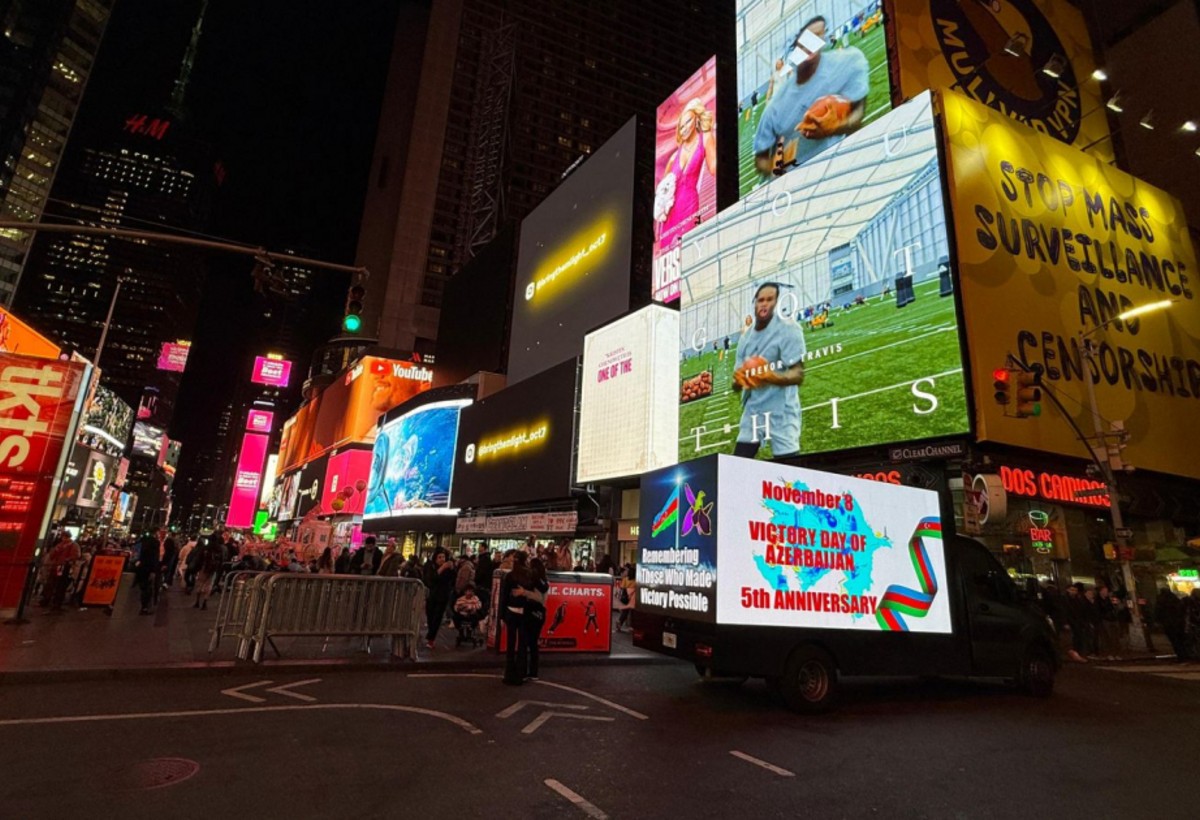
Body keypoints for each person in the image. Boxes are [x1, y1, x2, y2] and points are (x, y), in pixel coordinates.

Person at [752, 15, 869, 179]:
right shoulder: (774, 107)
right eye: (808, 38)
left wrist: (835, 127)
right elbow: (761, 158)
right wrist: (775, 168)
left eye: (819, 36)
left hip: (839, 169)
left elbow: (858, 112)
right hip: (799, 182)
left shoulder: (848, 62)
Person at [732, 283, 806, 459]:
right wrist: (741, 379)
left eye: (770, 299)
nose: (764, 304)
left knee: (789, 468)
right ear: (755, 303)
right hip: (753, 412)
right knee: (738, 464)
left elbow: (798, 374)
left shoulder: (789, 329)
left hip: (782, 411)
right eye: (761, 300)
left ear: (777, 302)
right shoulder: (745, 338)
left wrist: (770, 377)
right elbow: (735, 384)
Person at [656, 97, 717, 250]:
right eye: (681, 126)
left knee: (690, 249)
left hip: (690, 205)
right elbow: (661, 192)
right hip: (670, 216)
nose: (684, 128)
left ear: (696, 119)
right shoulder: (673, 158)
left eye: (688, 122)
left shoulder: (705, 138)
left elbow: (714, 168)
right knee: (670, 254)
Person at [501, 551, 534, 685]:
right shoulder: (529, 575)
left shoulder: (510, 576)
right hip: (525, 611)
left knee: (511, 643)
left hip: (511, 610)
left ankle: (509, 674)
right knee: (522, 644)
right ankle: (520, 674)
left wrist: (502, 615)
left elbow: (504, 596)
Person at [523, 558, 550, 680]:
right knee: (533, 643)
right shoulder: (544, 581)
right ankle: (533, 672)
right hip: (540, 613)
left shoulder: (534, 581)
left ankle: (528, 671)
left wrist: (524, 592)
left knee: (528, 641)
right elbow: (543, 598)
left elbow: (538, 597)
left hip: (532, 611)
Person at [424, 548, 456, 649]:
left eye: (443, 557)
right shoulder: (431, 566)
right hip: (432, 595)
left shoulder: (448, 568)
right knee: (430, 616)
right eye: (439, 557)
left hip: (442, 596)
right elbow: (431, 579)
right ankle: (430, 634)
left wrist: (452, 568)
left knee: (437, 617)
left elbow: (452, 580)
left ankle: (431, 638)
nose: (442, 559)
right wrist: (441, 569)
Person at [40, 531, 80, 610]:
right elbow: (52, 555)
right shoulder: (63, 545)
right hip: (58, 566)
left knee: (58, 583)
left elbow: (76, 556)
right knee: (53, 583)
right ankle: (50, 600)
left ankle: (53, 601)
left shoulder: (71, 545)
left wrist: (66, 560)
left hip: (62, 566)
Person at [193, 535, 225, 610]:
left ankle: (197, 601)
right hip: (213, 569)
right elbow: (221, 560)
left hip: (204, 567)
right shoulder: (219, 549)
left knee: (200, 583)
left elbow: (199, 558)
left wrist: (197, 568)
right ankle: (204, 602)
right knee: (209, 585)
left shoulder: (206, 548)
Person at [133, 529, 161, 614]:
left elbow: (135, 553)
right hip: (149, 568)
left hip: (140, 567)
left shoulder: (141, 541)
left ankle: (143, 606)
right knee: (148, 588)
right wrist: (154, 570)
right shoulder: (155, 543)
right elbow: (155, 558)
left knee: (142, 587)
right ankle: (145, 607)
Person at [1156, 587, 1186, 659]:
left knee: (1174, 640)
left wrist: (1158, 621)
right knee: (1180, 640)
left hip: (1168, 623)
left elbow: (1158, 611)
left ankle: (1180, 655)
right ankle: (1183, 654)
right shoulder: (1174, 599)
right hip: (1178, 622)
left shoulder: (1161, 600)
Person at [614, 564, 636, 632]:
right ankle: (631, 626)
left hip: (625, 597)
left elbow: (622, 588)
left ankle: (620, 622)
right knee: (633, 612)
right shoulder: (636, 581)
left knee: (625, 611)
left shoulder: (625, 579)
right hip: (633, 597)